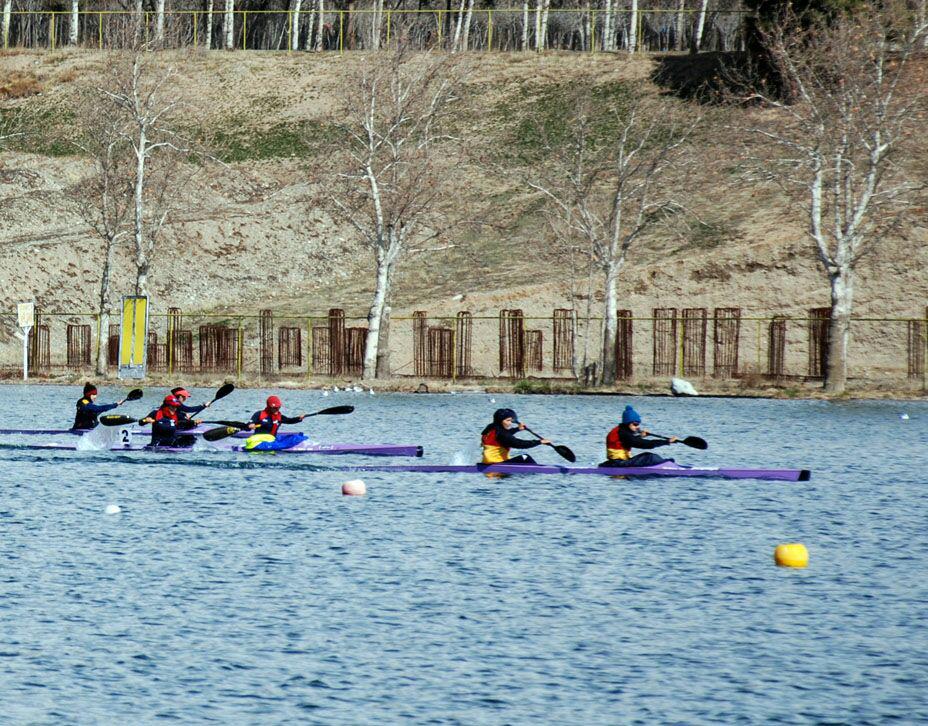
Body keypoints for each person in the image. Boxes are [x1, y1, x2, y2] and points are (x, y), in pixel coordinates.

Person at [600, 405, 677, 468]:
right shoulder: (623, 433)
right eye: (635, 424)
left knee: (649, 456)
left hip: (620, 462)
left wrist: (641, 436)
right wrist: (666, 442)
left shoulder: (621, 430)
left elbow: (630, 441)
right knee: (649, 457)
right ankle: (666, 465)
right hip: (618, 464)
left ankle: (665, 464)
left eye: (638, 424)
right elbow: (644, 444)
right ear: (627, 423)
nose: (637, 427)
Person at [480, 408, 550, 465]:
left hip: (486, 462)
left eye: (511, 421)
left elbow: (503, 435)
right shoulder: (502, 434)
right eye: (508, 421)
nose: (510, 423)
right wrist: (539, 442)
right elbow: (518, 444)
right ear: (500, 421)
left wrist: (517, 429)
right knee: (525, 457)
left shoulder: (491, 428)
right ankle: (537, 471)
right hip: (496, 463)